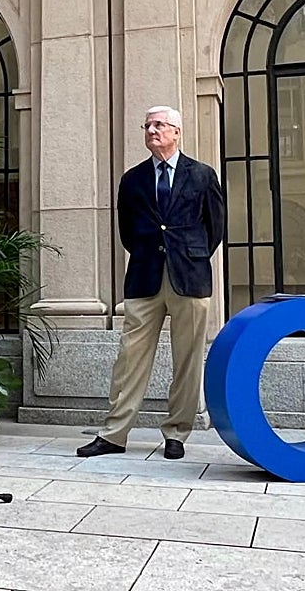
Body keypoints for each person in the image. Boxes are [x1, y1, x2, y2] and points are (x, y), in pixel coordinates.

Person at [78, 105, 225, 461]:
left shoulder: (202, 175)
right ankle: (114, 434)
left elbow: (215, 227)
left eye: (159, 125)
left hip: (189, 277)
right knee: (130, 357)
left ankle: (177, 433)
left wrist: (190, 254)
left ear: (177, 132)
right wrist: (148, 252)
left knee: (188, 359)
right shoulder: (132, 179)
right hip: (144, 275)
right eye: (147, 126)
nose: (152, 131)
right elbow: (127, 232)